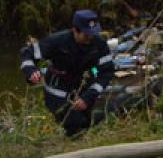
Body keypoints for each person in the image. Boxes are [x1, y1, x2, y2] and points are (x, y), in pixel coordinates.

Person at [19, 9, 115, 137]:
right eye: (86, 35)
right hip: (58, 90)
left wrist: (88, 97)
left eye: (93, 33)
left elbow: (106, 71)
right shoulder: (57, 41)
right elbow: (28, 55)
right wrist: (33, 71)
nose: (90, 38)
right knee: (74, 124)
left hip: (85, 83)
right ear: (75, 30)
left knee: (88, 121)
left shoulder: (99, 44)